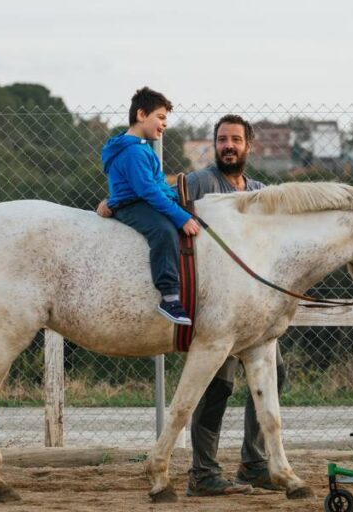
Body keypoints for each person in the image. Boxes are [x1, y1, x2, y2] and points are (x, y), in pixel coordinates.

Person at [97, 114, 286, 497]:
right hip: (215, 307)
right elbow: (157, 196)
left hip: (251, 310)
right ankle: (204, 471)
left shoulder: (260, 192)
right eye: (221, 139)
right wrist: (115, 201)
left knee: (273, 375)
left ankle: (253, 461)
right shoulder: (199, 183)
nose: (228, 146)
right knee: (217, 386)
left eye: (235, 139)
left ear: (248, 145)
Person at [101, 86, 200, 326]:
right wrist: (180, 217)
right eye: (161, 117)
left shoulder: (141, 148)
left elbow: (157, 186)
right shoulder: (133, 151)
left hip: (143, 199)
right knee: (164, 231)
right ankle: (169, 296)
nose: (165, 124)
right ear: (141, 115)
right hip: (132, 204)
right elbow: (147, 190)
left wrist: (178, 202)